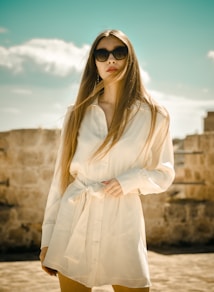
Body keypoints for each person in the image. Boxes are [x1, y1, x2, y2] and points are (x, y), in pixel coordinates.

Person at [39, 29, 175, 292]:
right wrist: (48, 239)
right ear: (95, 63)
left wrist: (129, 181)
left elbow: (164, 173)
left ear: (130, 59)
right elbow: (61, 180)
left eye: (119, 52)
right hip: (73, 220)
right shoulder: (76, 114)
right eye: (102, 54)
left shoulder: (155, 115)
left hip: (123, 221)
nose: (110, 59)